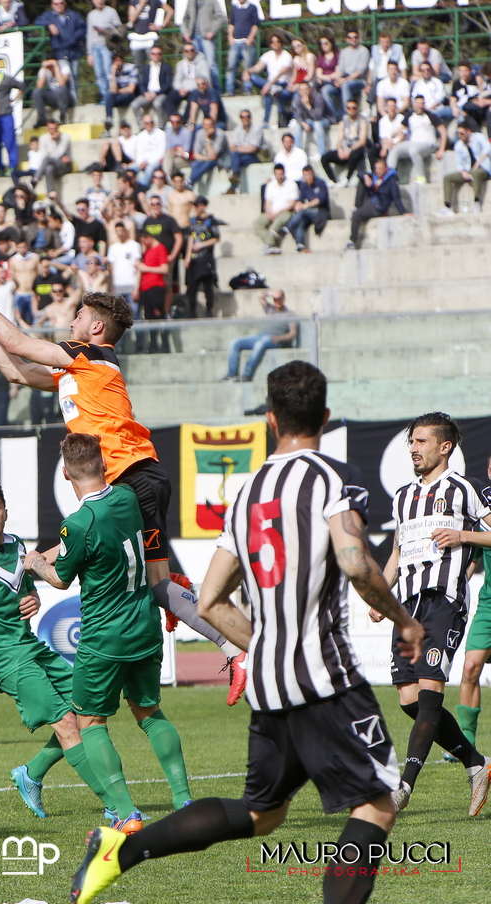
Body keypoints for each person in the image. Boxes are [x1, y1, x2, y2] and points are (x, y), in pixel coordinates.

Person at [69, 360, 426, 904]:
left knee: (263, 813)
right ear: (326, 417)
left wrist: (263, 649)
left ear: (269, 418)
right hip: (325, 676)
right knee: (377, 803)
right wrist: (404, 619)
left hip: (270, 680)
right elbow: (355, 563)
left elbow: (209, 600)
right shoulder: (335, 476)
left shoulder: (249, 490)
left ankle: (122, 850)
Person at [0, 283, 248, 692]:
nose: (72, 321)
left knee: (126, 574)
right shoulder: (78, 369)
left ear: (97, 327)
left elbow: (18, 341)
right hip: (133, 477)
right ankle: (233, 648)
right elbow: (15, 369)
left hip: (131, 475)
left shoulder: (90, 356)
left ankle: (236, 648)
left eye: (80, 316)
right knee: (155, 584)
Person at [25, 432, 191, 833]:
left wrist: (35, 563)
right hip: (145, 625)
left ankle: (127, 813)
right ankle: (184, 800)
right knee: (149, 712)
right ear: (103, 464)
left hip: (103, 636)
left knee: (91, 722)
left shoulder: (77, 524)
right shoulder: (129, 498)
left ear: (66, 474)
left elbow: (61, 579)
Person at [0, 480, 110, 818]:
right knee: (66, 723)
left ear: (5, 510)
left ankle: (31, 773)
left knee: (87, 709)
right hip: (6, 659)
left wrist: (33, 599)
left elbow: (28, 590)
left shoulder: (18, 546)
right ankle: (118, 807)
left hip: (32, 648)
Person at [372, 413, 491, 814]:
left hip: (445, 601)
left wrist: (464, 535)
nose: (413, 448)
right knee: (408, 699)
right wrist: (380, 594)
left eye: (421, 442)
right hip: (406, 607)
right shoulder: (403, 496)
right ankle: (477, 763)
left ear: (445, 447)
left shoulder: (465, 489)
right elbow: (396, 553)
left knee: (428, 693)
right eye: (411, 442)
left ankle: (403, 788)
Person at [455, 455, 491, 750]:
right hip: (488, 606)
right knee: (470, 667)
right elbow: (471, 562)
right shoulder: (481, 515)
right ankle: (465, 744)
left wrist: (462, 535)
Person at [222, 289, 298, 381]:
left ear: (284, 299)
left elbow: (293, 333)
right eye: (275, 299)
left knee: (260, 344)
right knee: (234, 343)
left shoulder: (290, 314)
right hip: (261, 336)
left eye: (279, 298)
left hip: (275, 339)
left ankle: (247, 374)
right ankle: (232, 374)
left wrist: (280, 338)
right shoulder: (270, 310)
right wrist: (271, 294)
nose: (277, 301)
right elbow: (259, 295)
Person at [346, 157, 410, 250]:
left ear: (386, 169)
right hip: (371, 201)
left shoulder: (392, 181)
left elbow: (397, 198)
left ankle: (352, 241)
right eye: (376, 168)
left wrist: (404, 213)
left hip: (378, 206)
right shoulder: (375, 176)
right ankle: (357, 207)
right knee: (362, 182)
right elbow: (359, 173)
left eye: (380, 168)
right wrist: (366, 177)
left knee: (356, 215)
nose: (378, 171)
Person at [387, 94, 447, 184]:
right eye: (418, 103)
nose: (420, 106)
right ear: (414, 104)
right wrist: (391, 140)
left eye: (422, 103)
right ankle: (389, 177)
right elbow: (399, 130)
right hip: (413, 143)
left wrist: (442, 149)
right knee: (395, 149)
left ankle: (421, 176)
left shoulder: (430, 116)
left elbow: (443, 131)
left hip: (429, 143)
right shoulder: (410, 116)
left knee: (413, 150)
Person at [33, 0, 87, 87]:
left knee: (74, 75)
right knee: (66, 76)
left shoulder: (74, 15)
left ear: (65, 3)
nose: (59, 6)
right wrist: (49, 24)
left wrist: (74, 37)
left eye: (61, 3)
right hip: (60, 51)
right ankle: (66, 99)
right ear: (52, 5)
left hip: (74, 49)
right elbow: (37, 21)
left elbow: (83, 28)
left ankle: (73, 100)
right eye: (56, 4)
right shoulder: (49, 15)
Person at [181, 0, 225, 91]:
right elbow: (185, 18)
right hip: (193, 38)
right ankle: (198, 90)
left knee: (211, 64)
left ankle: (216, 91)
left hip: (206, 38)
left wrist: (212, 31)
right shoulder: (191, 0)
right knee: (196, 64)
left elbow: (221, 17)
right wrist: (185, 32)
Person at [440, 119, 491, 213]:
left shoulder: (478, 137)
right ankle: (447, 206)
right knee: (447, 178)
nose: (459, 135)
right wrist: (463, 172)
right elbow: (458, 163)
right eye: (458, 133)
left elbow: (488, 148)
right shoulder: (459, 145)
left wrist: (478, 162)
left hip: (483, 168)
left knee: (476, 173)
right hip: (469, 170)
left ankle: (476, 202)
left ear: (468, 132)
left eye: (462, 133)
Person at [243, 34, 293, 127]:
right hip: (271, 85)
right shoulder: (268, 55)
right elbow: (258, 67)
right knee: (252, 76)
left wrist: (269, 84)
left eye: (277, 41)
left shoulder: (286, 55)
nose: (275, 44)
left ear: (281, 43)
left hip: (282, 83)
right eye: (273, 42)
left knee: (268, 93)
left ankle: (266, 121)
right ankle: (271, 90)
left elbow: (281, 73)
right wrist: (247, 71)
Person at [183, 194, 219, 318]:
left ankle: (209, 309)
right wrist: (187, 256)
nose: (194, 208)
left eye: (196, 206)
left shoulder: (211, 220)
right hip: (193, 259)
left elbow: (216, 238)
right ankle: (192, 310)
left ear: (203, 206)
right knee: (191, 286)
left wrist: (202, 245)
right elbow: (190, 239)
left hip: (205, 258)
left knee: (207, 286)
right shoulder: (192, 220)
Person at [321, 98, 368, 187]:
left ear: (357, 108)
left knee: (355, 155)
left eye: (354, 108)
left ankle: (347, 179)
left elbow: (362, 141)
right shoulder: (344, 121)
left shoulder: (362, 121)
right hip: (345, 148)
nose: (351, 110)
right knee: (324, 158)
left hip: (356, 148)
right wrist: (339, 149)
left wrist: (350, 150)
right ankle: (333, 180)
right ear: (346, 109)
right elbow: (340, 138)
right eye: (349, 108)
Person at [253, 164, 298, 255]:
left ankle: (269, 245)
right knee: (257, 223)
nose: (280, 176)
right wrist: (269, 212)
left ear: (284, 173)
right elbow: (267, 202)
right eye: (277, 174)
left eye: (281, 174)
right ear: (274, 174)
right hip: (272, 211)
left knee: (275, 226)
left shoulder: (291, 184)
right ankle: (272, 244)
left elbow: (292, 203)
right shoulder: (270, 185)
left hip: (286, 211)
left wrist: (277, 213)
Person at [128, 0, 173, 73]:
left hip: (150, 37)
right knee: (138, 67)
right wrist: (142, 4)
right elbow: (132, 18)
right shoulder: (133, 2)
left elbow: (170, 11)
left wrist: (161, 25)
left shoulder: (154, 0)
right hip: (137, 38)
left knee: (154, 64)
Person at [86, 0, 122, 103]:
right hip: (95, 47)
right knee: (99, 73)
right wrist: (89, 53)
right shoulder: (91, 15)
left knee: (108, 71)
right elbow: (89, 34)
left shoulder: (111, 12)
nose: (99, 1)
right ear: (93, 0)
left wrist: (105, 30)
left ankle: (112, 95)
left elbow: (119, 30)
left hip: (107, 45)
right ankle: (105, 96)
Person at [287, 165, 330, 252]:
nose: (308, 177)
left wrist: (305, 206)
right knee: (300, 220)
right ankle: (300, 245)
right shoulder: (304, 186)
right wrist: (298, 205)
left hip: (321, 212)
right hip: (309, 213)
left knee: (303, 212)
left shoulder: (321, 183)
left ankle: (287, 228)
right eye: (306, 175)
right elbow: (300, 200)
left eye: (310, 174)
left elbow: (319, 200)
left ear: (313, 174)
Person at [226, 0, 259, 96]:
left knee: (248, 68)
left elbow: (255, 25)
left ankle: (247, 89)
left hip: (246, 42)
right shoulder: (234, 8)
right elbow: (232, 23)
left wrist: (250, 38)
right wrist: (230, 36)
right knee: (230, 67)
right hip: (235, 42)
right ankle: (229, 90)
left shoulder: (252, 8)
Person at [131, 46, 172, 129]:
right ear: (150, 55)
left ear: (161, 55)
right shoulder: (146, 68)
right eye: (154, 53)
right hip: (147, 93)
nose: (156, 55)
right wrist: (145, 93)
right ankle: (141, 127)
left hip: (161, 93)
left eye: (159, 53)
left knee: (157, 103)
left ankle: (161, 126)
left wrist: (156, 93)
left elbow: (168, 84)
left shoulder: (166, 67)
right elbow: (141, 83)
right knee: (134, 104)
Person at [226, 108, 264, 193]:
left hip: (256, 156)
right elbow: (234, 147)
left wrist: (240, 147)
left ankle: (234, 181)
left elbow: (254, 149)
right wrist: (245, 147)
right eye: (243, 117)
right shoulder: (237, 130)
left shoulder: (257, 129)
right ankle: (233, 185)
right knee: (235, 156)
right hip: (243, 156)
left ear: (250, 118)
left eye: (247, 116)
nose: (245, 118)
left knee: (235, 157)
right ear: (240, 118)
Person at [334, 29, 370, 116]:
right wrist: (337, 80)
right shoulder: (344, 52)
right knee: (326, 89)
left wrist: (345, 79)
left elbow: (360, 71)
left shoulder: (364, 51)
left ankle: (347, 114)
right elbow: (341, 69)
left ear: (358, 38)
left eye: (355, 37)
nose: (353, 39)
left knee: (346, 85)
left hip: (360, 80)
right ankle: (333, 116)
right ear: (347, 39)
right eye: (350, 37)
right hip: (346, 78)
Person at [32, 59, 75, 129]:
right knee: (36, 91)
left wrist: (56, 68)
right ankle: (42, 118)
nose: (50, 68)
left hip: (65, 97)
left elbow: (62, 83)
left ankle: (63, 117)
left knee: (61, 89)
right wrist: (45, 69)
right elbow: (39, 86)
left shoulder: (64, 67)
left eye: (51, 65)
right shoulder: (44, 70)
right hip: (53, 96)